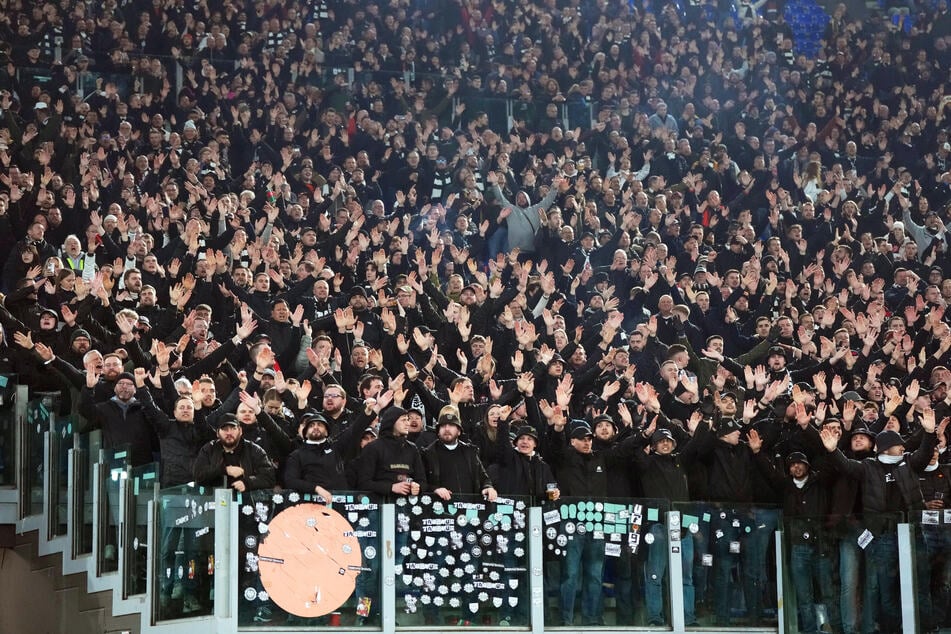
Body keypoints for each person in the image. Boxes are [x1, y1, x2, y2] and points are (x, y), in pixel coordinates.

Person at [818, 408, 940, 634]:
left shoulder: (908, 463)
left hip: (913, 535)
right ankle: (892, 630)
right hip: (883, 538)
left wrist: (929, 433)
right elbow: (846, 465)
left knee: (920, 586)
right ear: (886, 447)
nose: (903, 447)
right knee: (887, 591)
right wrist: (833, 450)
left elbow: (923, 454)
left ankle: (927, 629)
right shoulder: (868, 467)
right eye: (898, 444)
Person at [192, 414, 276, 493]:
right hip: (214, 501)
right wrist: (224, 470)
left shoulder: (255, 450)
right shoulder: (209, 449)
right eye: (225, 429)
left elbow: (269, 478)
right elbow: (198, 475)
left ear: (240, 431)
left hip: (247, 503)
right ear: (217, 433)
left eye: (233, 428)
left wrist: (247, 483)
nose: (229, 433)